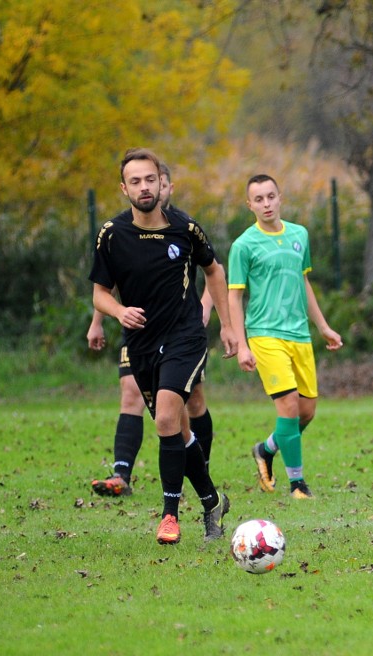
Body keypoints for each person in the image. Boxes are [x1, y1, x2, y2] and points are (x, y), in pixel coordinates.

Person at [89, 148, 238, 544]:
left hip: (184, 337)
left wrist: (226, 324)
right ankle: (212, 501)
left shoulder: (185, 229)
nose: (143, 187)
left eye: (149, 179)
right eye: (134, 181)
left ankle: (169, 516)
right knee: (177, 431)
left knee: (168, 419)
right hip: (140, 344)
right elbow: (99, 294)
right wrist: (119, 313)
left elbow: (214, 270)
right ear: (124, 188)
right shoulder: (111, 234)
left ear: (161, 182)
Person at [228, 174, 343, 500]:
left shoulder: (299, 235)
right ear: (249, 204)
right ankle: (297, 484)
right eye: (258, 199)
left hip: (299, 335)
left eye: (270, 197)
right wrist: (242, 345)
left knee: (306, 412)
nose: (266, 204)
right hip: (265, 335)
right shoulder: (243, 245)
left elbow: (303, 283)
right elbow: (234, 296)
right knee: (289, 407)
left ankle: (265, 450)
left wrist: (323, 327)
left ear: (280, 198)